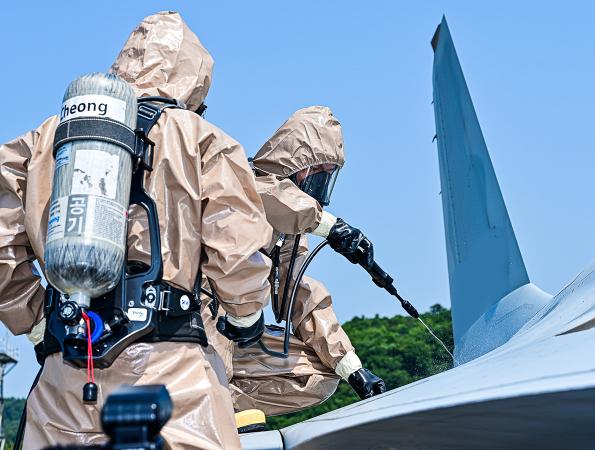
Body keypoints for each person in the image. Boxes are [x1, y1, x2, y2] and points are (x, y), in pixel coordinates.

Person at [0, 11, 272, 449]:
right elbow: (237, 245)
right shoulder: (199, 136)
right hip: (172, 374)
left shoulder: (47, 137)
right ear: (194, 79)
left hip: (66, 368)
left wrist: (32, 320)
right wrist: (246, 316)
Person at [208, 106, 386, 418]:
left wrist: (352, 369)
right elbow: (271, 196)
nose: (322, 187)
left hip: (237, 335)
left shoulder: (289, 232)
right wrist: (332, 226)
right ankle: (209, 409)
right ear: (301, 168)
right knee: (219, 322)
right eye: (322, 174)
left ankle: (226, 406)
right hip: (194, 324)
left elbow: (299, 293)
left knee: (318, 375)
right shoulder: (242, 184)